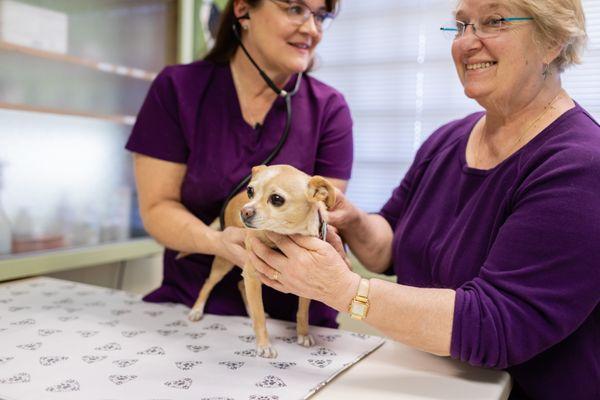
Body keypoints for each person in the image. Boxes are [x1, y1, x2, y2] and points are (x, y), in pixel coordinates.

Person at [247, 0, 599, 398]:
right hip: (425, 382)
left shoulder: (581, 164)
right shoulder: (448, 140)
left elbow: (497, 327)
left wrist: (344, 290)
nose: (467, 42)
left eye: (494, 21)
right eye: (462, 25)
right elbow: (390, 248)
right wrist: (352, 219)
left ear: (552, 40)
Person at [125, 0, 353, 329]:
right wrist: (218, 242)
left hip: (296, 319)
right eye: (295, 9)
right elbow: (158, 207)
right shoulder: (177, 89)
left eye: (321, 15)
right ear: (244, 9)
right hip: (194, 306)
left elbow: (317, 217)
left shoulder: (329, 108)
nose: (311, 28)